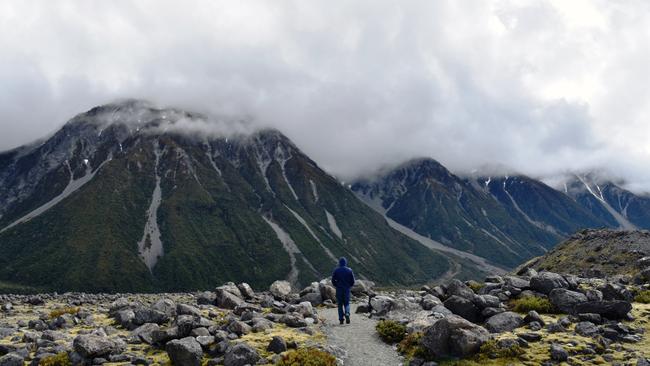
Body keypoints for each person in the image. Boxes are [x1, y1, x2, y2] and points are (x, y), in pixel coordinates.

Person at [331, 257, 355, 324]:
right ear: (345, 263)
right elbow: (353, 281)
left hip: (339, 289)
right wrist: (349, 286)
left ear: (339, 263)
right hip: (347, 289)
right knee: (347, 303)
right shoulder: (349, 270)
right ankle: (347, 313)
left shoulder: (336, 270)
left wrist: (336, 285)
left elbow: (333, 280)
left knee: (340, 304)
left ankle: (341, 319)